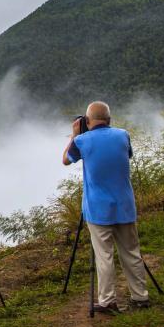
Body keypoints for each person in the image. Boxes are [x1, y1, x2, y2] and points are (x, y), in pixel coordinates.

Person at [62, 101, 150, 314]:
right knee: (131, 252)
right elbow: (126, 155)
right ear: (109, 119)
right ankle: (140, 297)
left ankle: (108, 301)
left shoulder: (82, 141)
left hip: (98, 209)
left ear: (87, 121)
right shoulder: (123, 135)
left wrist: (75, 134)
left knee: (104, 256)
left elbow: (65, 160)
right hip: (125, 206)